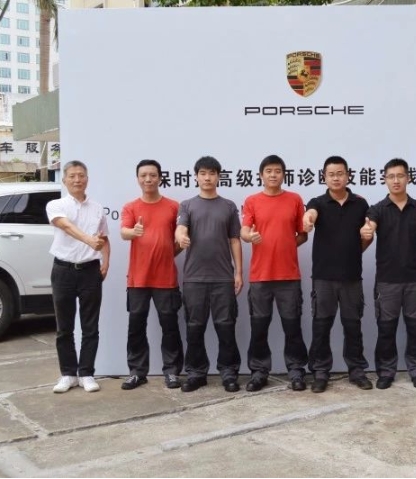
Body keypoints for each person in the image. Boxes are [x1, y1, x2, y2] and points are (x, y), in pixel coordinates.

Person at [302, 156, 373, 393]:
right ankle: (320, 372)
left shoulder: (360, 204)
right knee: (321, 327)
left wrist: (362, 242)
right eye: (331, 174)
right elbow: (310, 214)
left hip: (352, 277)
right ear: (324, 177)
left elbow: (367, 235)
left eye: (340, 173)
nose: (336, 178)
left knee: (353, 326)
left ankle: (357, 371)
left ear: (348, 175)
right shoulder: (318, 202)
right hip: (323, 278)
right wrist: (308, 219)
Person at [175, 156, 243, 393]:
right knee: (194, 328)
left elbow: (235, 240)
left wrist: (239, 273)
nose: (207, 178)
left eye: (212, 173)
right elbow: (180, 228)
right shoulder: (187, 205)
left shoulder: (229, 206)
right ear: (196, 177)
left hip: (223, 278)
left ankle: (229, 373)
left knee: (226, 327)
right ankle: (196, 373)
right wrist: (181, 236)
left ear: (218, 177)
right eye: (203, 173)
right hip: (194, 278)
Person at [241, 155, 308, 392]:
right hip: (260, 277)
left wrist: (286, 245)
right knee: (259, 328)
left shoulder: (294, 199)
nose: (273, 175)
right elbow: (244, 231)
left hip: (289, 277)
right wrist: (250, 236)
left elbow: (302, 234)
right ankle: (259, 372)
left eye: (277, 171)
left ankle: (296, 371)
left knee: (293, 327)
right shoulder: (252, 201)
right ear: (261, 175)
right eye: (268, 171)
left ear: (283, 175)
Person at [360, 158, 416, 390]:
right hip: (387, 281)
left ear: (408, 178)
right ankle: (386, 372)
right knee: (386, 330)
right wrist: (367, 230)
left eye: (400, 176)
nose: (396, 180)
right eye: (391, 176)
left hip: (414, 279)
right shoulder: (377, 209)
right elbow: (370, 226)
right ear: (385, 180)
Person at [119, 159, 184, 390]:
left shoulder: (174, 207)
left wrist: (166, 253)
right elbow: (124, 232)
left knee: (170, 326)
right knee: (136, 326)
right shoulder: (131, 207)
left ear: (160, 178)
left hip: (166, 279)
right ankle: (137, 372)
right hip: (138, 279)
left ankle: (172, 372)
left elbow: (180, 239)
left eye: (153, 175)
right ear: (138, 179)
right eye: (144, 175)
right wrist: (134, 231)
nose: (148, 179)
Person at [46, 160, 110, 393]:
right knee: (64, 327)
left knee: (90, 326)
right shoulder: (56, 205)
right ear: (64, 180)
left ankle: (86, 373)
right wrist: (89, 240)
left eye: (81, 175)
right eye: (72, 176)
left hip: (90, 271)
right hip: (63, 270)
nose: (77, 180)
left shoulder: (97, 208)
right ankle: (68, 374)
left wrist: (106, 261)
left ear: (87, 179)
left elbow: (104, 238)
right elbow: (66, 226)